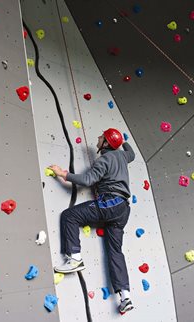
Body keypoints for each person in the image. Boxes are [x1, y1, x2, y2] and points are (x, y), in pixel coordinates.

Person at [49, 128, 135, 314]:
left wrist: (63, 174)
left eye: (102, 137)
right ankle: (125, 296)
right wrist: (122, 142)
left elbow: (87, 179)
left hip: (111, 203)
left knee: (69, 216)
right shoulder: (122, 156)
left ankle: (75, 258)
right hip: (123, 210)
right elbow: (132, 154)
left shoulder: (104, 159)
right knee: (115, 251)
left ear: (105, 143)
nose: (98, 137)